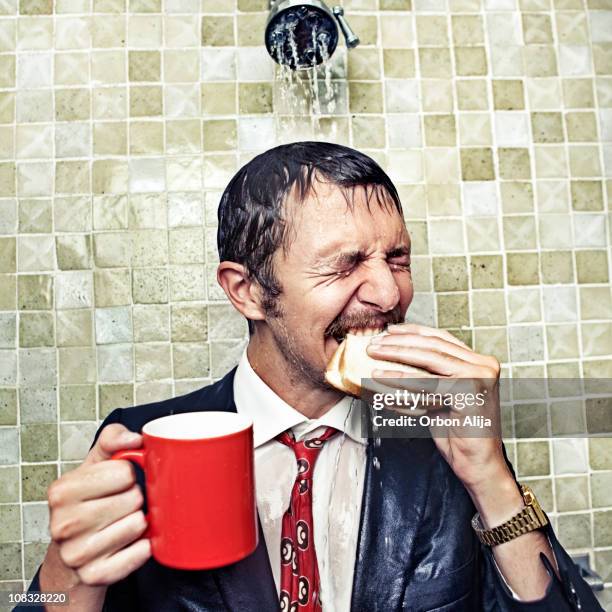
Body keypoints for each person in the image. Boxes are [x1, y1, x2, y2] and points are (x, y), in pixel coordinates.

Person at [22, 142, 601, 611]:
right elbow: (42, 603)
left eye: (396, 260)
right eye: (344, 265)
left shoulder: (437, 439)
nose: (388, 293)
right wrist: (63, 579)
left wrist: (491, 479)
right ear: (247, 292)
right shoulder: (143, 444)